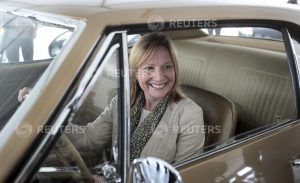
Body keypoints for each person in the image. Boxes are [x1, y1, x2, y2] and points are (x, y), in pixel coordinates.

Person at [18, 33, 205, 164]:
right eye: (149, 68)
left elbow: (185, 175)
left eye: (167, 67)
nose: (159, 77)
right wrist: (44, 118)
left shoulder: (189, 114)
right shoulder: (122, 102)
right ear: (135, 72)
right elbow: (89, 138)